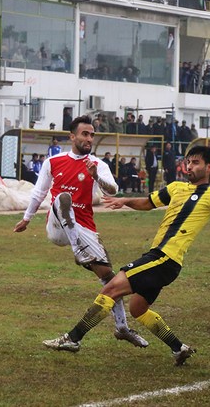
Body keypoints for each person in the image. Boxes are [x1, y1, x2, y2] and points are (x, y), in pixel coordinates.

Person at [42, 145, 210, 366]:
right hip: (162, 260)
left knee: (111, 289)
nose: (189, 167)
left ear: (209, 167)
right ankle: (179, 348)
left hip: (164, 258)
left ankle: (73, 338)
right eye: (187, 162)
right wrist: (125, 200)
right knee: (138, 308)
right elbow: (147, 202)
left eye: (196, 162)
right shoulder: (176, 188)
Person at [13, 115, 148, 348]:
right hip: (58, 227)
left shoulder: (98, 164)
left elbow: (113, 189)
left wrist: (96, 176)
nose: (89, 138)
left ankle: (122, 327)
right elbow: (38, 193)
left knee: (110, 279)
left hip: (84, 227)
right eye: (85, 134)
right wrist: (26, 219)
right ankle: (79, 250)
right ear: (72, 136)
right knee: (63, 198)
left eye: (92, 134)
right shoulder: (53, 161)